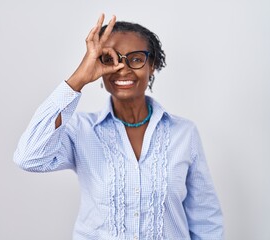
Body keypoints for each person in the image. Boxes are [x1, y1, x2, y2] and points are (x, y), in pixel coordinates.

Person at [14, 14, 224, 240]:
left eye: (136, 59)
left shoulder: (184, 133)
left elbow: (205, 218)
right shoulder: (81, 130)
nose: (123, 68)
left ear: (152, 65)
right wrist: (78, 79)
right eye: (109, 59)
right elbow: (29, 157)